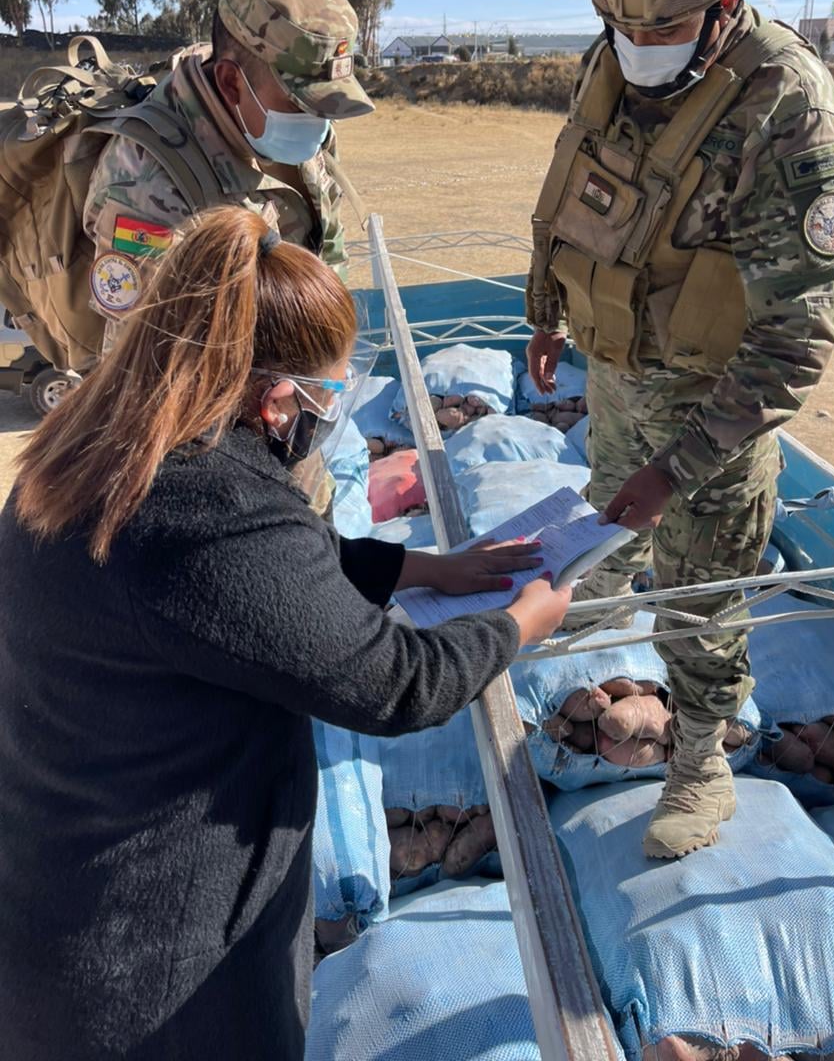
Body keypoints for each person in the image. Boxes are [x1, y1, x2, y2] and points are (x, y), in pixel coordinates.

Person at [0, 207, 570, 1061]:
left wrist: (417, 570)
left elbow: (244, 583)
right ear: (278, 399)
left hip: (62, 900)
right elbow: (397, 683)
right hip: (161, 976)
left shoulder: (105, 444)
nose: (330, 414)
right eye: (331, 393)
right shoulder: (209, 502)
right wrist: (520, 622)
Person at [525, 0, 834, 860]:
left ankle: (700, 759)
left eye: (661, 29)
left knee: (703, 605)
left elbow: (793, 341)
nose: (637, 47)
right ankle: (610, 613)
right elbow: (577, 186)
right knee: (608, 515)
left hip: (714, 419)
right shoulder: (617, 52)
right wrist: (547, 306)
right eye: (622, 26)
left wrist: (681, 467)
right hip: (621, 380)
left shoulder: (787, 109)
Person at [83, 0, 369, 342]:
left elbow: (329, 248)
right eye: (300, 102)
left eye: (324, 105)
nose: (318, 122)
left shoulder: (297, 128)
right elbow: (142, 377)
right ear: (232, 83)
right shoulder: (147, 187)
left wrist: (325, 350)